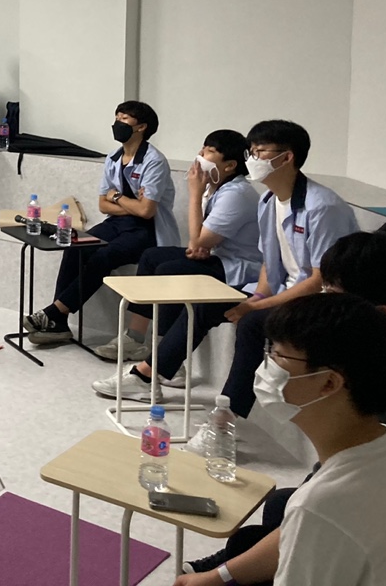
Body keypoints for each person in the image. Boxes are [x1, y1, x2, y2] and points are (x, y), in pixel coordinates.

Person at [177, 230, 386, 584]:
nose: (267, 368)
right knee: (276, 511)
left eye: (278, 356)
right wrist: (220, 576)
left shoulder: (321, 506)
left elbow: (321, 509)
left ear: (330, 382)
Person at [92, 129, 261, 402]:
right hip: (221, 257)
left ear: (230, 165)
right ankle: (136, 337)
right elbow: (201, 242)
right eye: (202, 148)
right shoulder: (218, 187)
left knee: (169, 271)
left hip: (240, 269)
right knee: (152, 257)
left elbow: (198, 240)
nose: (200, 156)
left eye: (209, 152)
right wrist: (200, 241)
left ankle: (165, 365)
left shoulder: (237, 193)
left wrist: (194, 193)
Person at [217, 120, 358, 421]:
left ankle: (227, 417)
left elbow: (322, 279)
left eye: (260, 152)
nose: (252, 160)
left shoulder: (322, 207)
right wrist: (257, 297)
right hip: (284, 291)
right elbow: (270, 261)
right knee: (209, 305)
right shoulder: (268, 200)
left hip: (321, 301)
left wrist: (256, 307)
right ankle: (152, 373)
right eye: (251, 152)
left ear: (287, 157)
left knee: (252, 323)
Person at [24, 101, 179, 345]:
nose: (118, 122)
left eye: (124, 118)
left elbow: (146, 212)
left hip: (147, 230)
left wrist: (116, 196)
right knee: (75, 246)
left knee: (104, 256)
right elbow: (102, 205)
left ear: (141, 127)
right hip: (116, 222)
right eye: (117, 117)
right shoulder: (113, 158)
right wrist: (129, 203)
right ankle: (58, 322)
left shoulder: (154, 161)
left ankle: (55, 312)